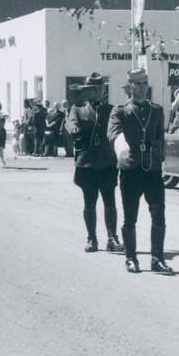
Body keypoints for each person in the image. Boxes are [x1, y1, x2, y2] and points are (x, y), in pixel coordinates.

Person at [107, 67, 172, 273]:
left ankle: (157, 259)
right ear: (130, 87)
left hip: (152, 170)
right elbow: (114, 133)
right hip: (130, 170)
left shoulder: (157, 110)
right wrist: (122, 151)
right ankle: (131, 258)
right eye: (138, 84)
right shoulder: (120, 111)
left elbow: (160, 139)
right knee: (130, 217)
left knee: (159, 213)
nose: (142, 88)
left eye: (145, 84)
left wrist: (159, 160)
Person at [66, 73, 121, 253]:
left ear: (104, 90)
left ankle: (112, 238)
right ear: (87, 91)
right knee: (89, 203)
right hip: (87, 163)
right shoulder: (78, 109)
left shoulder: (112, 110)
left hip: (106, 163)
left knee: (109, 201)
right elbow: (70, 122)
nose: (97, 92)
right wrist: (74, 128)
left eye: (100, 88)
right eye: (94, 89)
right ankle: (92, 239)